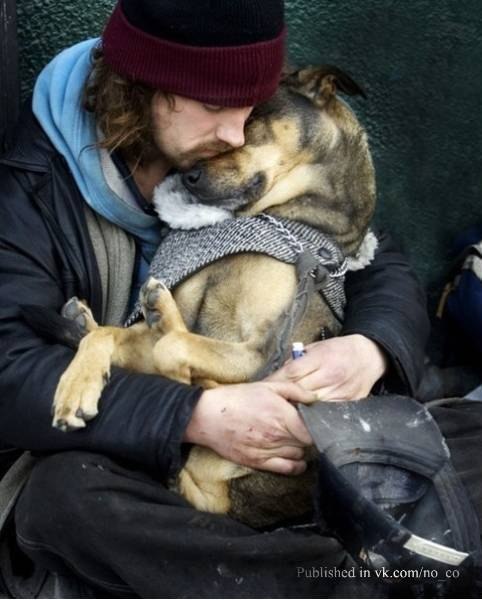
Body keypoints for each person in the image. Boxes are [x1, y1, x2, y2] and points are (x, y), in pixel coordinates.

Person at [0, 0, 430, 597]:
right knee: (62, 499)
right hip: (129, 452)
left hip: (285, 450)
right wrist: (195, 417)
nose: (235, 132)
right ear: (142, 86)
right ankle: (347, 583)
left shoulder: (242, 141)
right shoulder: (30, 188)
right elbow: (10, 371)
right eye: (213, 105)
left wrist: (371, 348)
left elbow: (376, 256)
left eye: (250, 110)